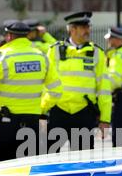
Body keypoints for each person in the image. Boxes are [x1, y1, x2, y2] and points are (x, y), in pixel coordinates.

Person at [0, 20, 62, 161]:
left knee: (7, 166)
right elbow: (57, 90)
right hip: (33, 121)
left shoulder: (2, 56)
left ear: (9, 36)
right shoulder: (41, 57)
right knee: (29, 166)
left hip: (6, 122)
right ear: (27, 35)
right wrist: (42, 107)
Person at [46, 12, 111, 151]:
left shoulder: (96, 52)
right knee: (48, 158)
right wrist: (41, 112)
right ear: (72, 29)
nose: (87, 30)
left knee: (83, 160)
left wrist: (105, 119)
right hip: (58, 111)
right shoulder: (54, 50)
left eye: (88, 27)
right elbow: (44, 83)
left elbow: (104, 87)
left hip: (84, 113)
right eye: (83, 27)